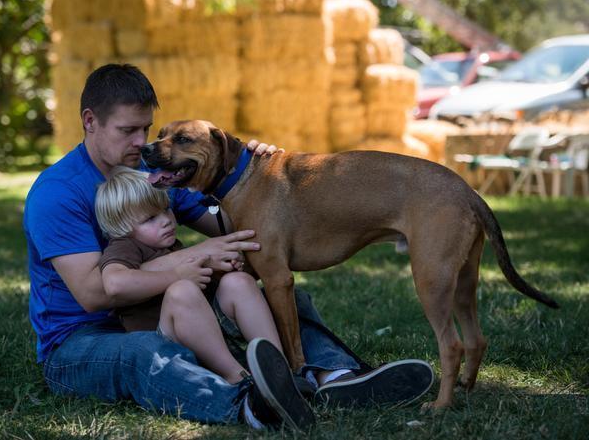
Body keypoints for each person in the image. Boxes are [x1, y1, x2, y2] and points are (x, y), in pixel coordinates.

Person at [23, 63, 434, 430]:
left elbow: (234, 226)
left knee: (261, 289)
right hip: (82, 340)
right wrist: (192, 259)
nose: (141, 142)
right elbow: (96, 293)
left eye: (146, 128)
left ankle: (334, 377)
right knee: (144, 353)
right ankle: (249, 403)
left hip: (175, 310)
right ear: (90, 121)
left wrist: (250, 170)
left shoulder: (153, 175)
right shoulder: (58, 193)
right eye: (128, 130)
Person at [95, 165, 285, 385]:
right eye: (149, 219)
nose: (166, 220)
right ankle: (238, 377)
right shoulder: (124, 246)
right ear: (121, 228)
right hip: (161, 345)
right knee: (182, 290)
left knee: (238, 282)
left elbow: (201, 285)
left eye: (166, 209)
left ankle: (276, 368)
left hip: (202, 333)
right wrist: (177, 274)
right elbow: (114, 283)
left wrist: (220, 269)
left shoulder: (168, 245)